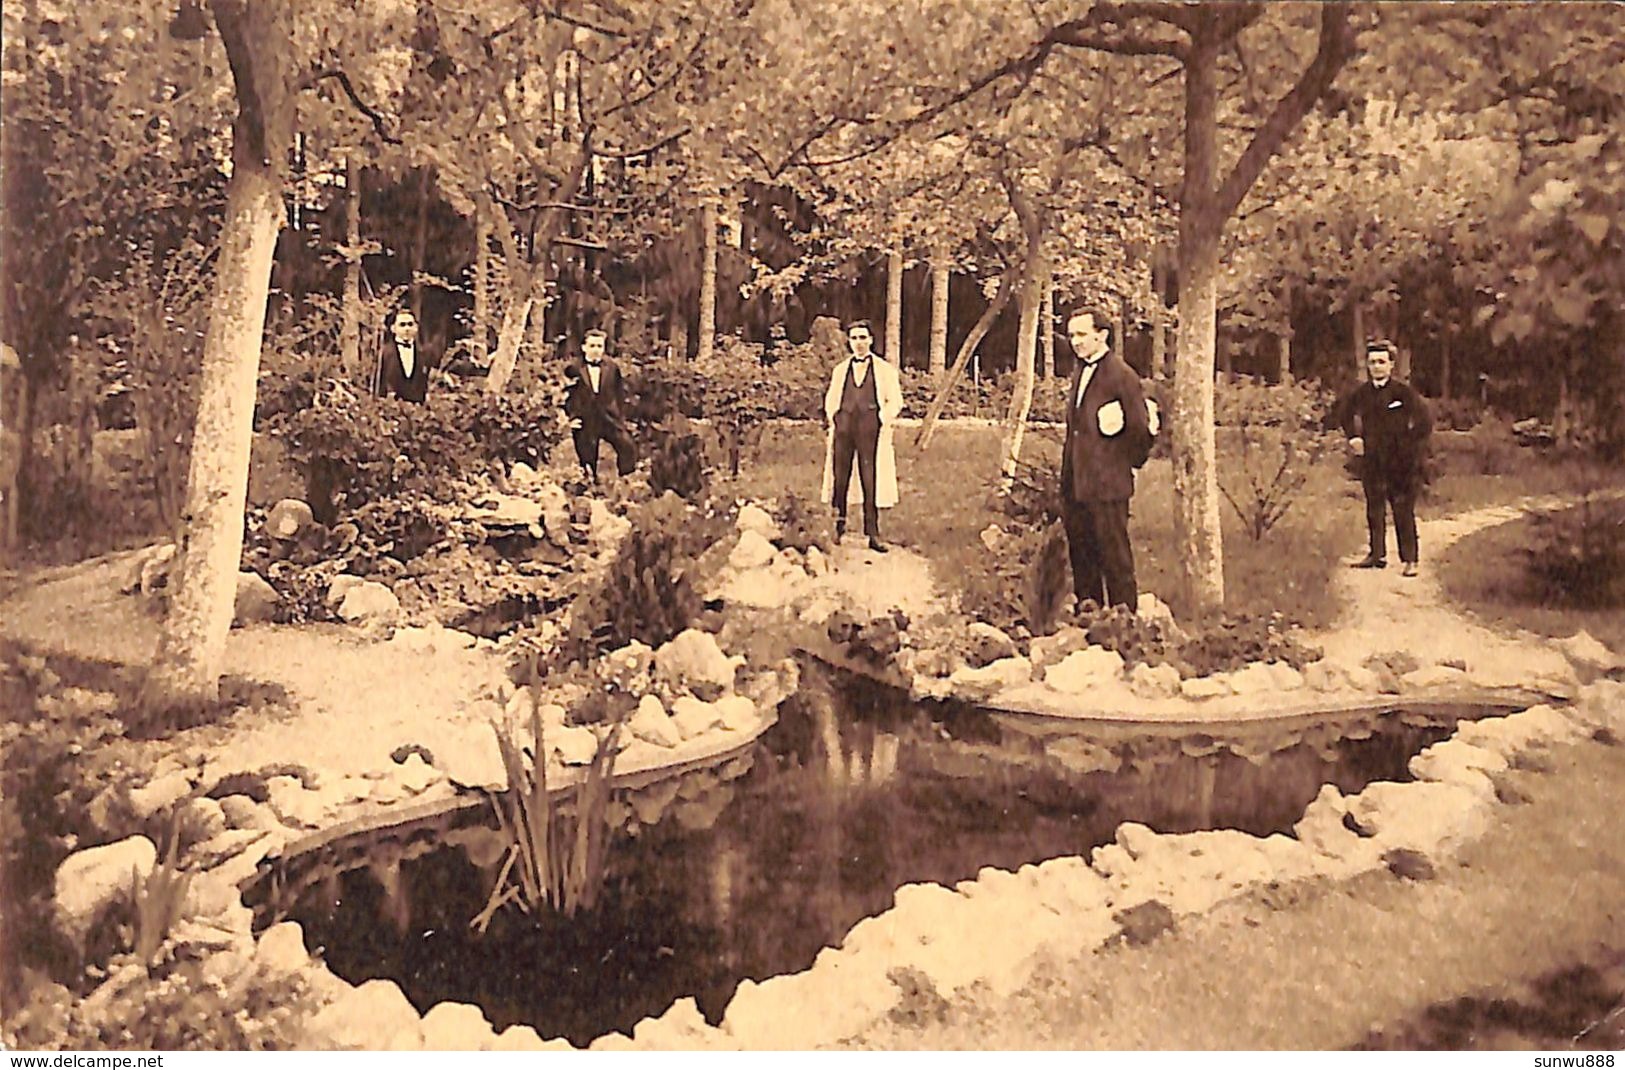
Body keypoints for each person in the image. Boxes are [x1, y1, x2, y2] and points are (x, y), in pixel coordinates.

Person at [1059, 306, 1156, 610]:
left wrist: (1125, 465)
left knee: (1114, 558)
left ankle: (1123, 623)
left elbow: (1140, 427)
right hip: (1078, 482)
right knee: (1083, 553)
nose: (1075, 341)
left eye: (1082, 335)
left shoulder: (1121, 376)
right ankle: (1090, 619)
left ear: (1101, 336)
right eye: (1072, 335)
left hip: (1108, 483)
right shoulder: (1080, 371)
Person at [1335, 338, 1433, 577]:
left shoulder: (1403, 393)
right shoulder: (1362, 393)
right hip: (1372, 460)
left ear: (1391, 365)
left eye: (1381, 362)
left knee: (1402, 509)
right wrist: (1354, 437)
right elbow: (1344, 414)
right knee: (1374, 508)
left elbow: (1424, 422)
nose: (1377, 367)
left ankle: (1410, 559)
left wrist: (1409, 446)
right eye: (1372, 362)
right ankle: (1376, 555)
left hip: (1401, 462)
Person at [820, 320, 903, 552]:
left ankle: (873, 534)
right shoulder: (840, 370)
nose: (858, 343)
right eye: (854, 338)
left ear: (871, 340)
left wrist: (881, 418)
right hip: (844, 429)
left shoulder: (884, 370)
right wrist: (835, 417)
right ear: (849, 341)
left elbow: (895, 401)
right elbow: (831, 399)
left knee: (870, 479)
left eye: (862, 338)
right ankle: (838, 527)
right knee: (840, 478)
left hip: (870, 430)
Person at [563, 328, 638, 485]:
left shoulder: (612, 367)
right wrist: (571, 418)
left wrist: (619, 416)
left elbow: (619, 393)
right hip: (585, 418)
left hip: (608, 417)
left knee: (627, 446)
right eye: (592, 346)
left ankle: (626, 482)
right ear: (584, 347)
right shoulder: (573, 368)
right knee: (587, 455)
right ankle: (589, 486)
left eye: (599, 346)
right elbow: (566, 395)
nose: (596, 350)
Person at [376, 308, 438, 404]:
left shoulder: (423, 354)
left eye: (410, 324)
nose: (407, 329)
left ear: (416, 328)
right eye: (402, 325)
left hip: (417, 411)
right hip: (390, 409)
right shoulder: (384, 354)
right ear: (393, 328)